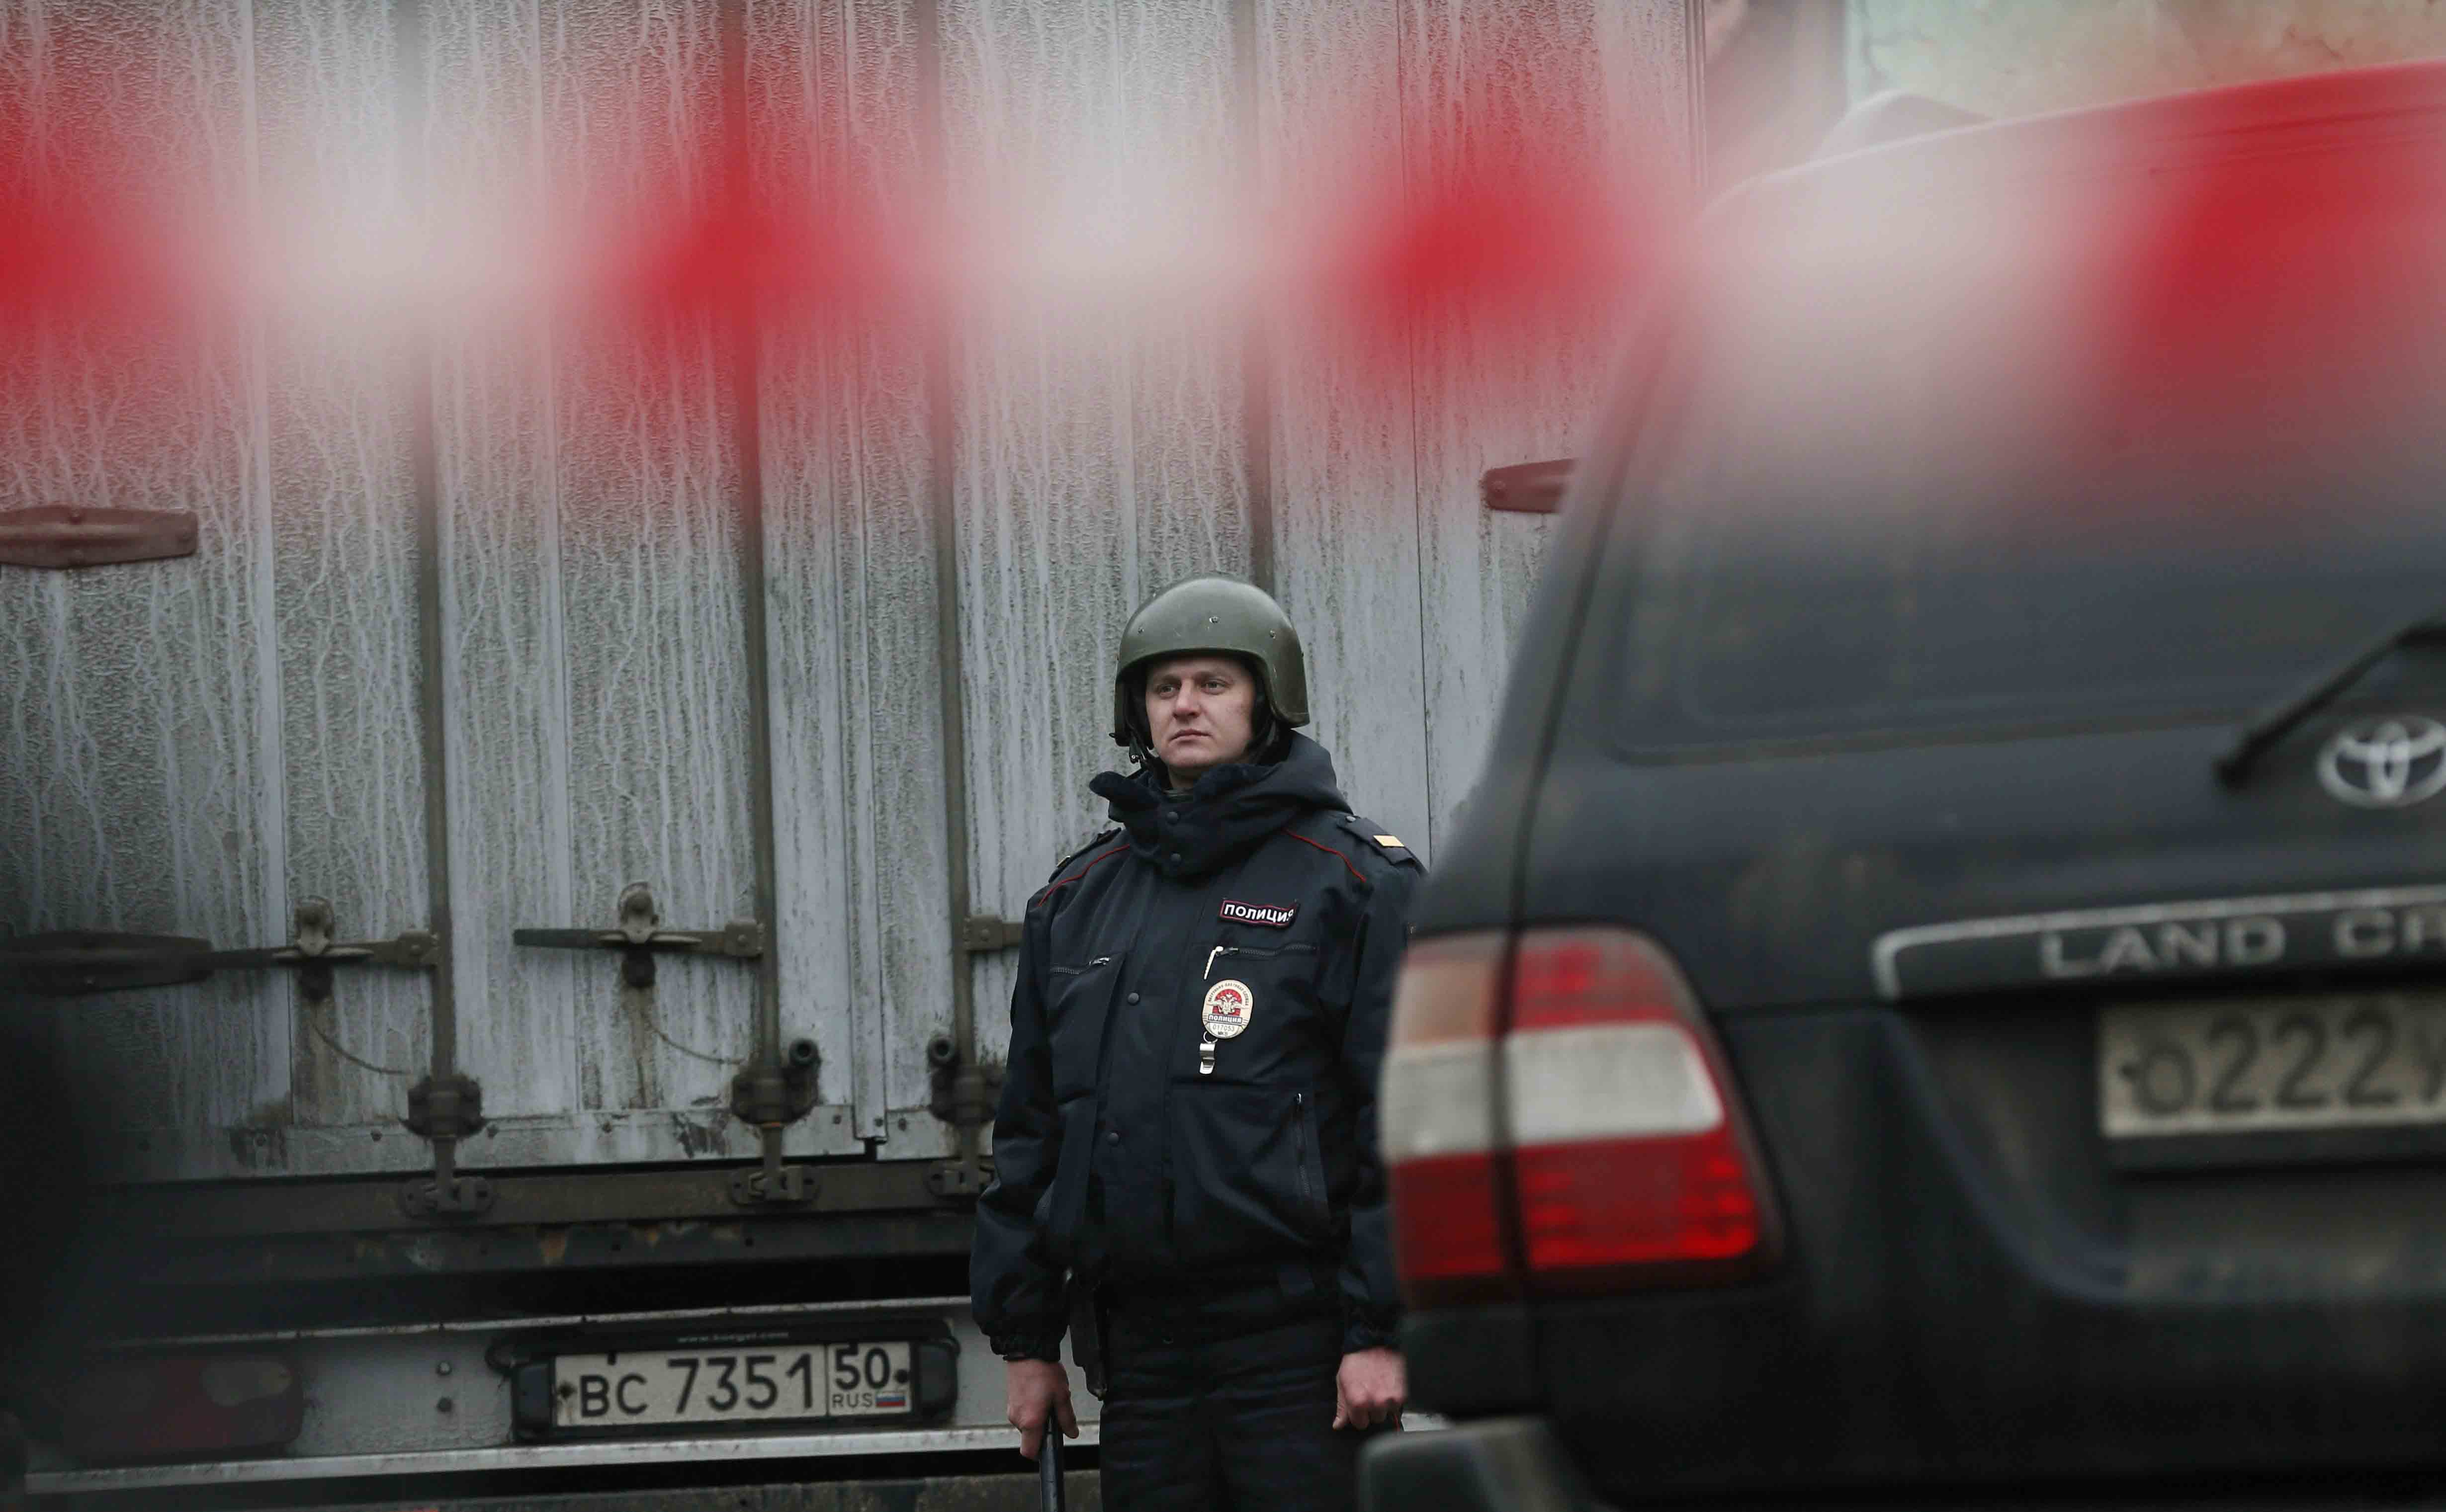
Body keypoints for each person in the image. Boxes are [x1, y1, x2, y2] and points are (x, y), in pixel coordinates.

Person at [972, 575, 1422, 1512]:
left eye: (1215, 682)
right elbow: (1032, 1131)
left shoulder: (1353, 884)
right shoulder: (1076, 900)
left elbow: (1404, 1123)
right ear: (1136, 711)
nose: (1185, 704)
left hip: (1298, 1352)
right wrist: (1025, 1341)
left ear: (1266, 700)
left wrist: (1378, 1331)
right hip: (1144, 1359)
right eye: (1164, 686)